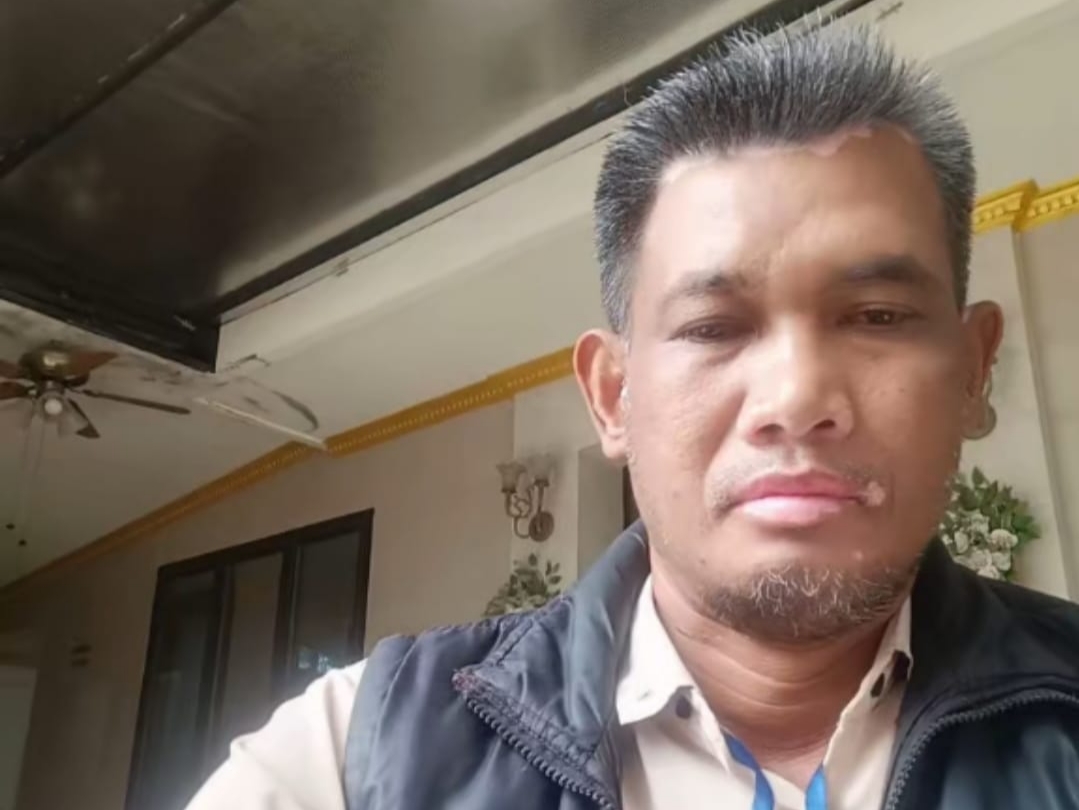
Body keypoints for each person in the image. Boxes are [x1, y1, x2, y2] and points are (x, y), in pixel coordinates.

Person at [187, 22, 1079, 810]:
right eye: (712, 327)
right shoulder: (361, 754)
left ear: (972, 370)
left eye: (877, 316)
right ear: (612, 396)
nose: (796, 400)